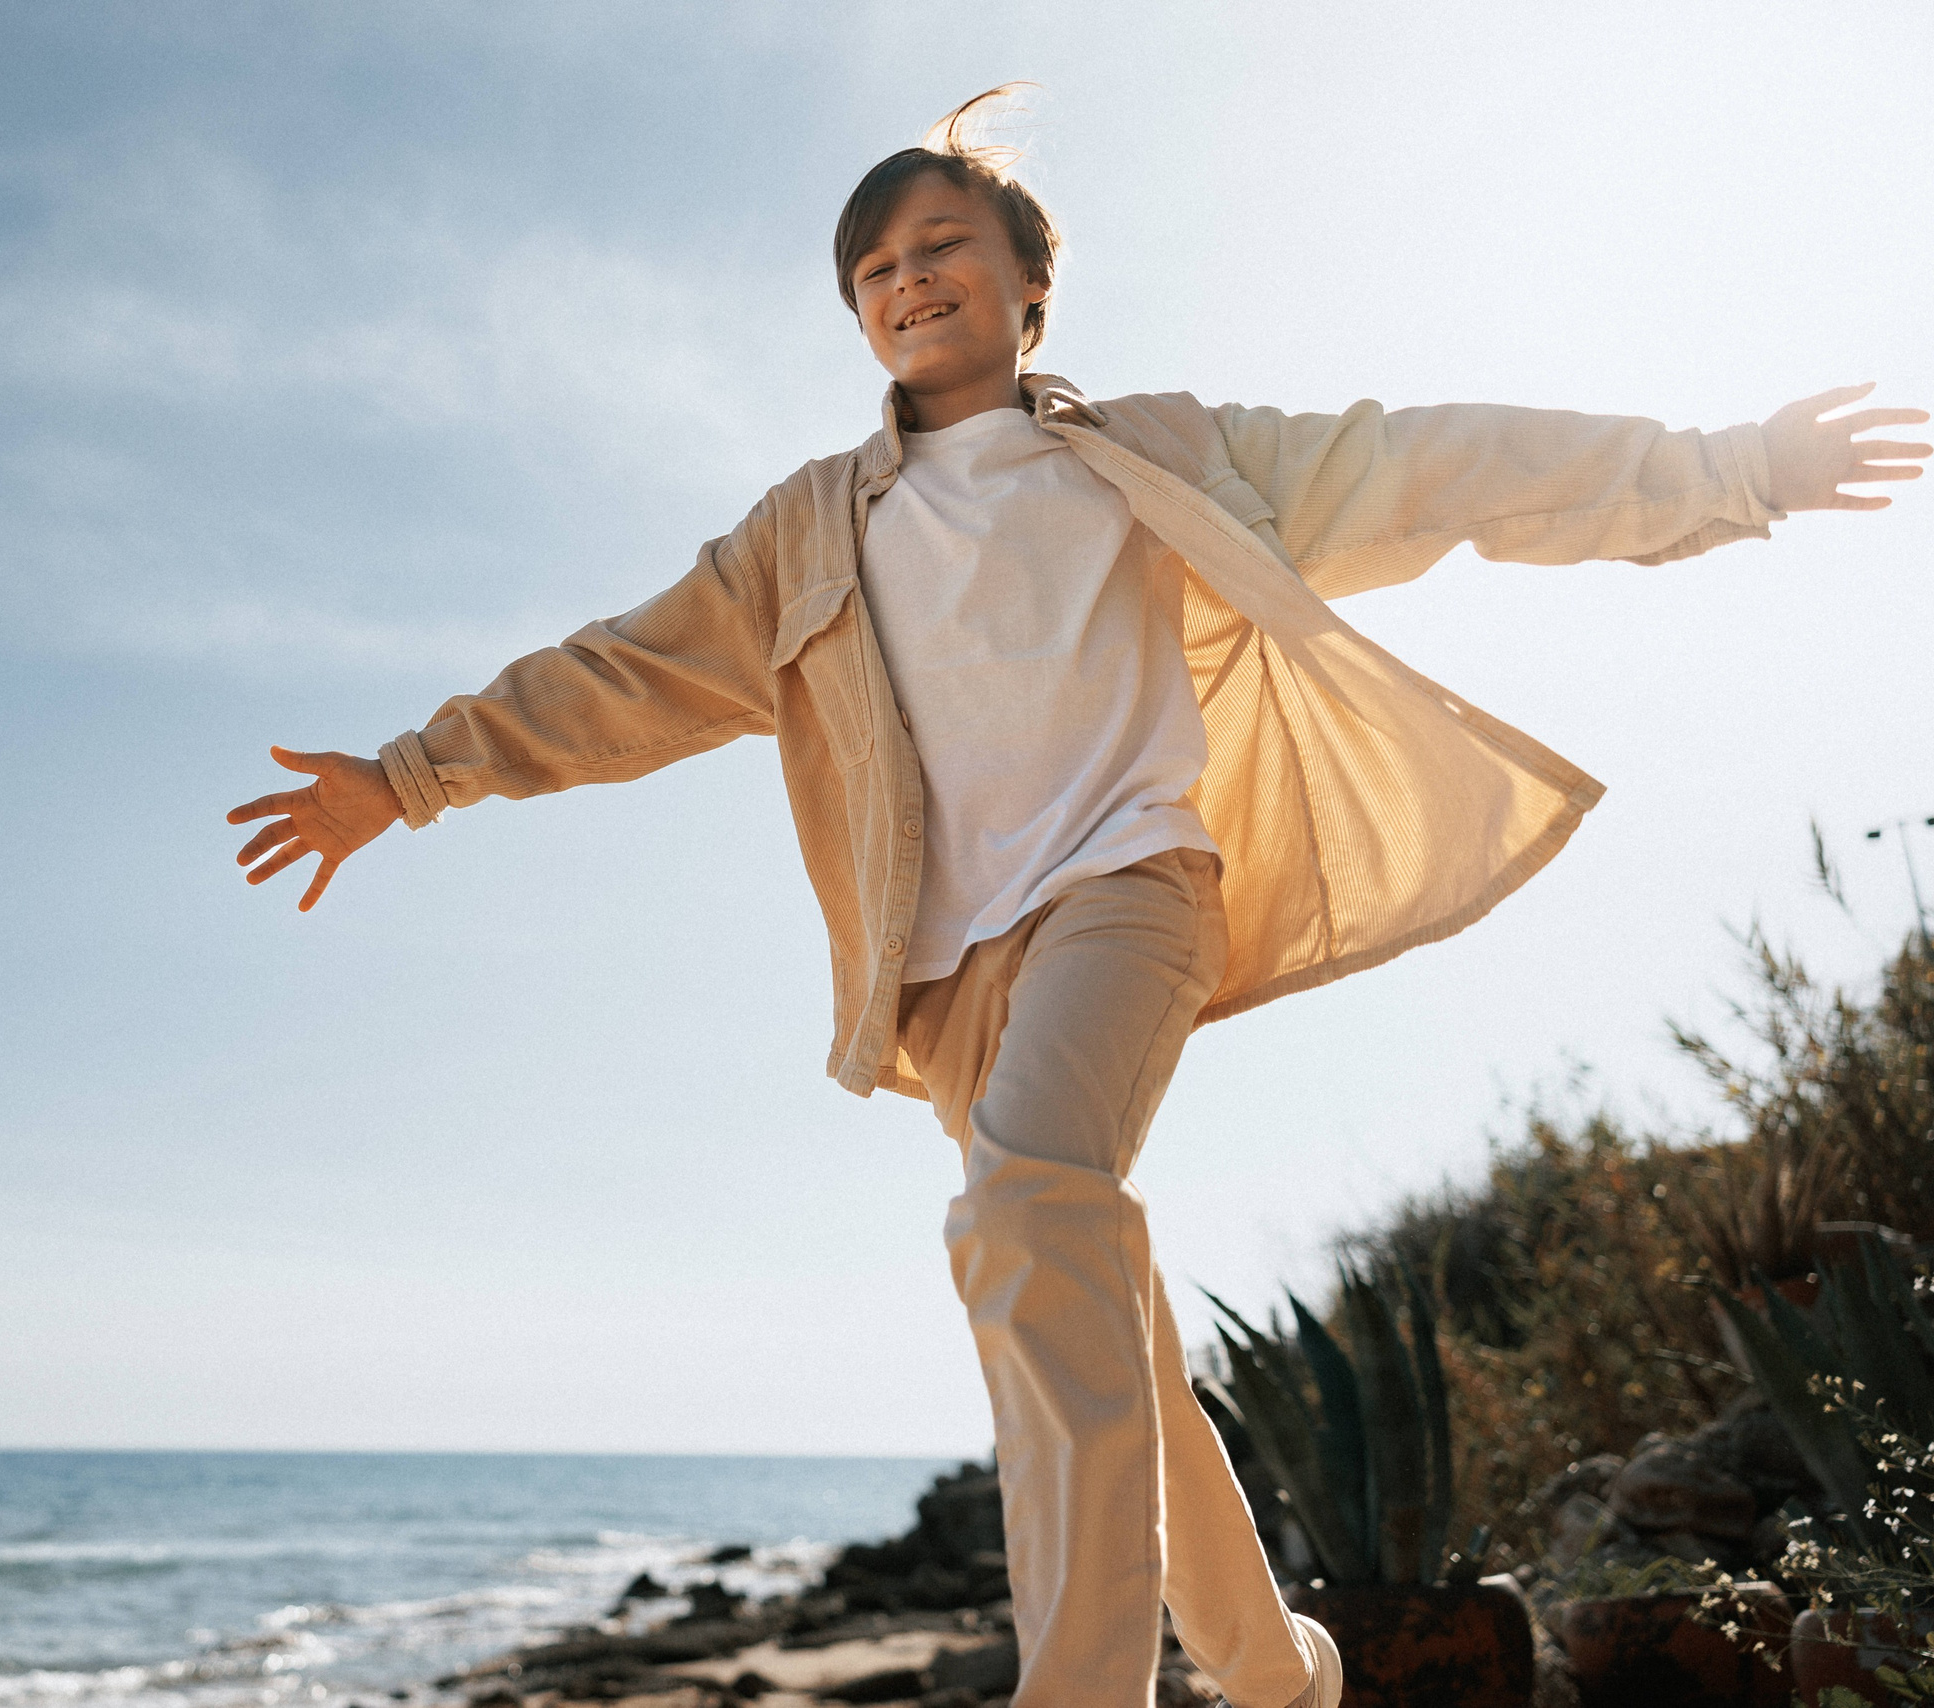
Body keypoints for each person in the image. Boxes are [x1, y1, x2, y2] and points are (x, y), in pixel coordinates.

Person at [224, 88, 1927, 1708]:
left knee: (1034, 1212)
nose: (907, 281)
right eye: (873, 269)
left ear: (1030, 279)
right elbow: (627, 672)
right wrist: (415, 772)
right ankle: (1280, 1675)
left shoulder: (1163, 456)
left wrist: (1730, 470)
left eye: (940, 245)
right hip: (947, 970)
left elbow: (1433, 464)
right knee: (1099, 1310)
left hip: (1132, 886)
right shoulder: (808, 532)